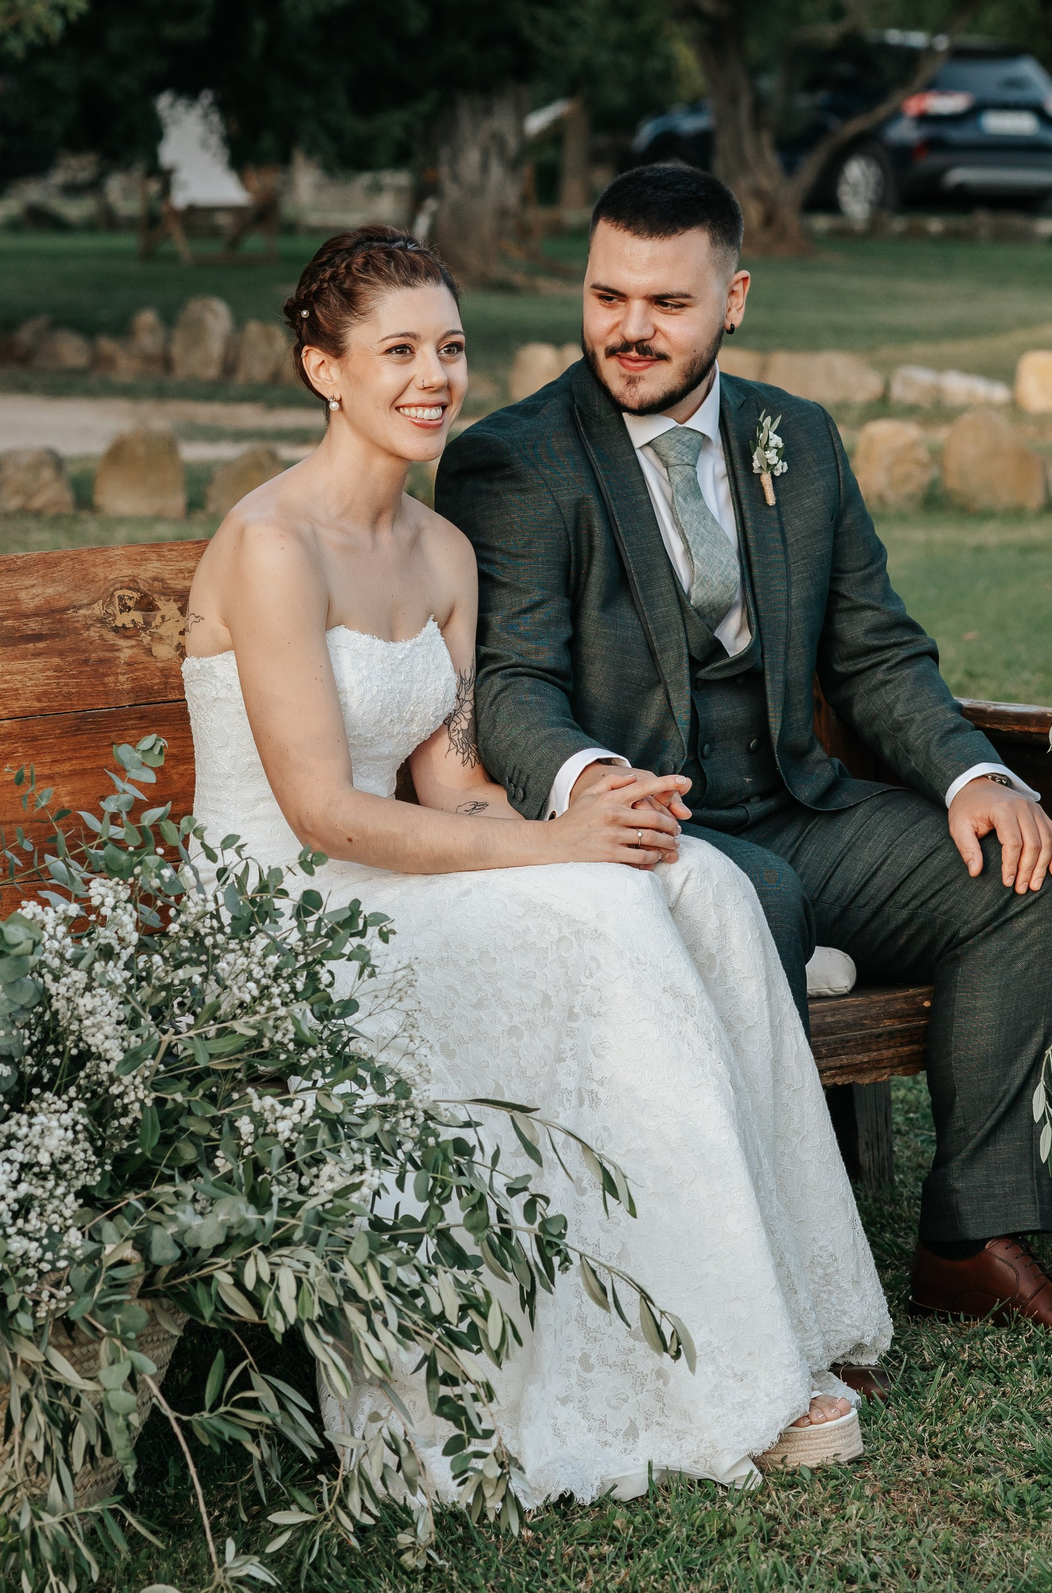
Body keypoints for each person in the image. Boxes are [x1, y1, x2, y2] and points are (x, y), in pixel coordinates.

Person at [176, 225, 891, 1505]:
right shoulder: (273, 545)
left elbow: (449, 785)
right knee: (601, 923)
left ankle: (792, 1308)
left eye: (448, 348)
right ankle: (727, 1370)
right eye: (395, 351)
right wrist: (555, 852)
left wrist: (601, 811)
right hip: (282, 903)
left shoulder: (443, 553)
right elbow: (326, 812)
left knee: (699, 887)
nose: (432, 378)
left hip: (394, 865)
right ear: (320, 370)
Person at [434, 165, 1052, 1339]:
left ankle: (969, 1239)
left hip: (795, 801)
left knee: (1021, 874)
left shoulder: (793, 439)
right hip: (647, 826)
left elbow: (873, 652)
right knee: (749, 900)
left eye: (666, 303)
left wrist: (973, 776)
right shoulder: (518, 459)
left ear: (734, 298)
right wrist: (589, 783)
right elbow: (510, 685)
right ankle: (766, 1283)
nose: (629, 329)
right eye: (607, 296)